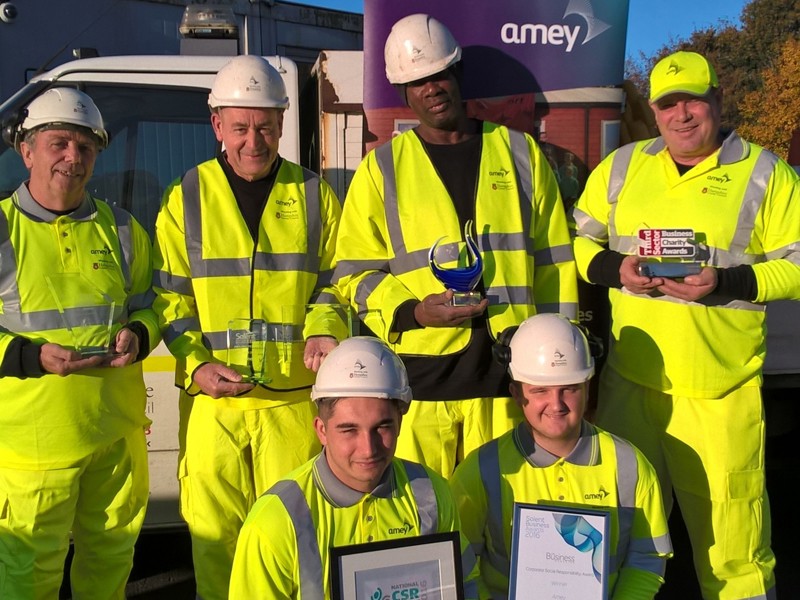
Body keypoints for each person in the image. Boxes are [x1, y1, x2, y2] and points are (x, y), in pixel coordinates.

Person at [570, 50, 800, 599]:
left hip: (720, 395)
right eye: (669, 103)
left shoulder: (766, 173)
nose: (682, 114)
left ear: (718, 99)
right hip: (633, 383)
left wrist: (728, 283)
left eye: (694, 99)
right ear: (653, 109)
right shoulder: (622, 166)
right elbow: (581, 240)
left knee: (734, 553)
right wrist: (614, 269)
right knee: (617, 539)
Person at [334, 13, 578, 479]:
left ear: (457, 73)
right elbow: (352, 273)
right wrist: (413, 313)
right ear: (403, 92)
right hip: (422, 387)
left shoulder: (521, 154)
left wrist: (556, 367)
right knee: (427, 522)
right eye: (417, 81)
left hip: (511, 380)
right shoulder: (380, 169)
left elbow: (556, 265)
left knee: (507, 522)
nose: (431, 88)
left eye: (439, 74)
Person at [151, 55, 344, 599]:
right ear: (218, 126)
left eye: (265, 126)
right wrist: (195, 363)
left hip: (292, 405)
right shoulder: (186, 196)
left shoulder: (314, 197)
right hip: (215, 408)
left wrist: (324, 329)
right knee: (216, 543)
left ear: (283, 124)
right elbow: (171, 298)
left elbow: (336, 282)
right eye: (240, 128)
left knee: (296, 537)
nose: (253, 141)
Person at [0, 87, 159, 597]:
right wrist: (28, 355)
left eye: (86, 147)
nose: (74, 157)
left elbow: (154, 307)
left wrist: (139, 334)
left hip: (114, 437)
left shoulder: (124, 229)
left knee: (110, 565)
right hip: (33, 447)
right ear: (26, 150)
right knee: (28, 576)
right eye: (59, 143)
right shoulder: (2, 228)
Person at [229, 337, 480, 598]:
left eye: (382, 427)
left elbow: (465, 584)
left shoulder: (431, 494)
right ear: (322, 430)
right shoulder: (275, 521)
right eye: (349, 430)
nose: (368, 449)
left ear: (400, 423)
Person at [450, 313, 672, 598]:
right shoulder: (481, 470)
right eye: (540, 390)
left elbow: (647, 558)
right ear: (516, 393)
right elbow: (461, 565)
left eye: (569, 388)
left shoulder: (629, 465)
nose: (556, 404)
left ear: (588, 387)